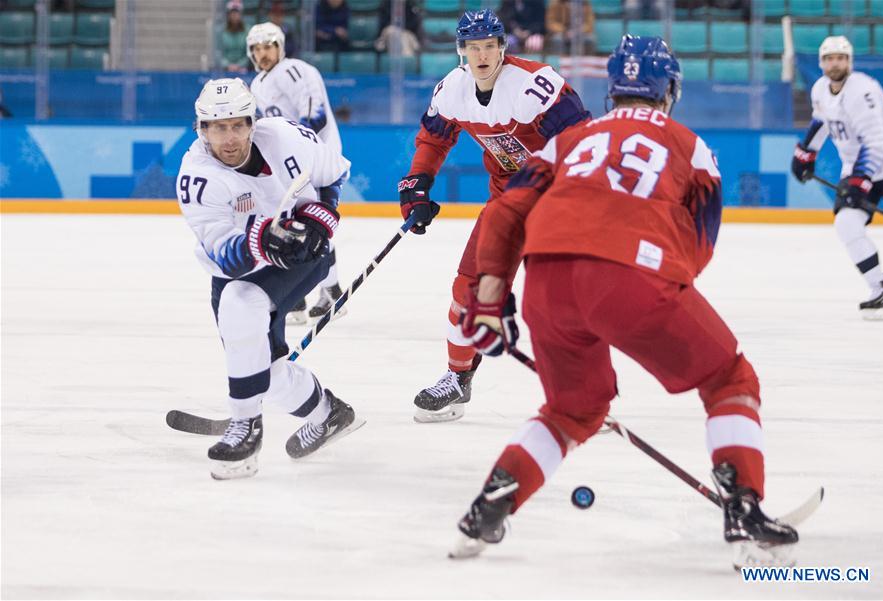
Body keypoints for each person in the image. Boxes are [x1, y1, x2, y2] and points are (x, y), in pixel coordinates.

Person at [449, 36, 799, 569]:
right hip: (633, 277)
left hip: (547, 280)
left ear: (612, 90)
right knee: (730, 379)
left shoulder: (569, 139)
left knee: (572, 409)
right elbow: (698, 242)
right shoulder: (689, 143)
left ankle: (489, 506)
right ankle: (743, 507)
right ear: (670, 90)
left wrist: (490, 295)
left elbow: (504, 212)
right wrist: (645, 301)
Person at [398, 9, 591, 423]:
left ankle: (586, 392)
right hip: (508, 203)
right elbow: (434, 138)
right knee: (466, 287)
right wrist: (416, 183)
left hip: (558, 203)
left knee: (567, 304)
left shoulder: (533, 85)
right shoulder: (453, 88)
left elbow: (582, 138)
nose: (481, 54)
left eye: (489, 45)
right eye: (473, 47)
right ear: (461, 51)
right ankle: (457, 377)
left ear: (502, 48)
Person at [176, 78, 359, 480]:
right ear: (201, 129)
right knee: (263, 368)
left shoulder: (286, 137)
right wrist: (265, 238)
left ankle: (245, 427)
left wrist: (319, 220)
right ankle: (329, 413)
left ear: (252, 122)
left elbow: (334, 174)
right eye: (217, 127)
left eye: (237, 125)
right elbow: (226, 254)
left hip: (300, 255)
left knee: (241, 305)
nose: (229, 137)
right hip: (237, 269)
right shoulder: (197, 177)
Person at [791, 35, 883, 320]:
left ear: (849, 61)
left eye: (840, 57)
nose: (834, 63)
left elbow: (875, 142)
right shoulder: (820, 89)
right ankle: (880, 291)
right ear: (822, 63)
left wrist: (860, 180)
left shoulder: (862, 91)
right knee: (847, 225)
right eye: (829, 58)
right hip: (858, 169)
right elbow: (821, 122)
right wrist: (806, 153)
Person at [248, 21, 346, 324]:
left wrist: (297, 148)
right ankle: (316, 295)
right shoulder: (258, 84)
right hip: (290, 165)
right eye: (257, 48)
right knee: (293, 225)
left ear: (280, 47)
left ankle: (322, 295)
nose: (264, 53)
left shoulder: (295, 70)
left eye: (269, 46)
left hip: (315, 160)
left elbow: (314, 115)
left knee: (310, 225)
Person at [220, 1, 249, 72]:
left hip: (244, 69)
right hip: (225, 69)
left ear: (241, 14)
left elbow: (249, 52)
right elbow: (218, 53)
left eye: (237, 12)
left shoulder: (248, 30)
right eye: (232, 13)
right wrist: (227, 65)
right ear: (228, 15)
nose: (234, 15)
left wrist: (239, 65)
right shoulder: (221, 31)